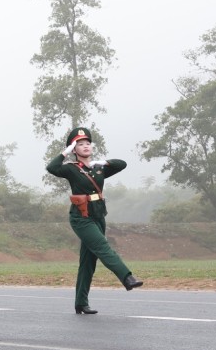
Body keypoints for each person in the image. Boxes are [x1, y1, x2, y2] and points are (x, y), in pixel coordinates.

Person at [46, 127, 143, 313]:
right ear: (74, 149)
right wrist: (66, 151)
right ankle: (127, 277)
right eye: (80, 144)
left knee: (88, 262)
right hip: (81, 218)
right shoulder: (71, 169)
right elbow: (52, 168)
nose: (85, 146)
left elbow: (122, 164)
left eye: (87, 143)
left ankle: (81, 303)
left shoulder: (99, 169)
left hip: (98, 216)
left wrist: (101, 162)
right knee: (103, 248)